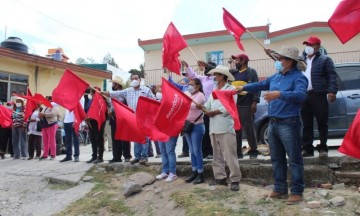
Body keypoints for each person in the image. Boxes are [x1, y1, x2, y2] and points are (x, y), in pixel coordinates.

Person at [237, 45, 308, 205]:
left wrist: (280, 94)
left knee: (295, 159)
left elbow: (301, 96)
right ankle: (280, 188)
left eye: (281, 58)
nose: (278, 60)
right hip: (274, 123)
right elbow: (261, 84)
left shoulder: (299, 77)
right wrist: (243, 87)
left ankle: (297, 191)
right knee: (276, 158)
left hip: (290, 123)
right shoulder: (276, 77)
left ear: (289, 62)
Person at [199, 65, 241, 191]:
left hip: (225, 126)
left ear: (223, 76)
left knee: (230, 155)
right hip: (213, 127)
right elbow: (207, 104)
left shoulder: (231, 89)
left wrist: (214, 112)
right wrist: (203, 108)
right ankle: (220, 177)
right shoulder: (214, 90)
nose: (215, 77)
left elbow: (230, 107)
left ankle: (235, 179)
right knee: (216, 155)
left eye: (217, 75)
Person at [300, 36, 338, 158]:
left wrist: (332, 91)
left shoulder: (325, 60)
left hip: (319, 94)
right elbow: (284, 62)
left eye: (311, 45)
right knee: (306, 124)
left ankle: (323, 147)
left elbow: (332, 75)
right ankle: (307, 148)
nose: (308, 47)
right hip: (305, 95)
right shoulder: (301, 61)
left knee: (322, 122)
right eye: (307, 45)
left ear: (318, 47)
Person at [104, 74, 154, 165]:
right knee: (136, 137)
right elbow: (116, 93)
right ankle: (137, 156)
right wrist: (107, 93)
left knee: (144, 138)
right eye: (133, 79)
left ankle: (144, 156)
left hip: (144, 117)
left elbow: (153, 101)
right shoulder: (128, 91)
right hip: (133, 118)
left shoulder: (146, 90)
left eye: (136, 78)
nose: (134, 80)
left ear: (140, 79)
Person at [182, 60, 216, 160]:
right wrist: (187, 66)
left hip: (214, 106)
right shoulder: (204, 79)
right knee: (206, 131)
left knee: (212, 131)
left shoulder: (216, 79)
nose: (204, 69)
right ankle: (205, 152)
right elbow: (193, 76)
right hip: (204, 107)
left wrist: (207, 65)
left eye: (206, 68)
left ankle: (212, 151)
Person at [230, 54, 260, 159]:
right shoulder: (233, 73)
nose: (235, 62)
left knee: (248, 129)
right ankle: (238, 153)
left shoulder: (251, 72)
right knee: (236, 129)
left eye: (237, 60)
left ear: (243, 61)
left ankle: (254, 151)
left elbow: (257, 87)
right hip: (235, 105)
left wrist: (255, 102)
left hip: (246, 105)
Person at [183, 78, 206, 184]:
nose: (189, 86)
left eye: (191, 84)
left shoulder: (201, 95)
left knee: (197, 151)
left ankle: (201, 174)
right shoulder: (188, 94)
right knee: (192, 151)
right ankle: (194, 171)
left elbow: (192, 106)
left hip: (197, 126)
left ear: (198, 86)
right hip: (187, 126)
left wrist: (186, 104)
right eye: (189, 84)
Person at [107, 77, 132, 163]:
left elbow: (119, 104)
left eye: (113, 83)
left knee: (124, 138)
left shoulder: (123, 94)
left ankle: (127, 156)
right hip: (114, 118)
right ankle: (116, 156)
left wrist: (112, 110)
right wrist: (109, 110)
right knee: (115, 138)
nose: (112, 85)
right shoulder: (112, 94)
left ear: (117, 85)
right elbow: (111, 105)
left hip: (122, 118)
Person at [60, 96, 84, 163]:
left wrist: (76, 120)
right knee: (68, 139)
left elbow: (80, 109)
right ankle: (68, 155)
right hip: (66, 121)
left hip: (73, 121)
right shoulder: (68, 97)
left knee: (75, 139)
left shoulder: (80, 97)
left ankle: (76, 155)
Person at [85, 88, 106, 164]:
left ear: (95, 93)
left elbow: (100, 111)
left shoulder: (101, 101)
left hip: (98, 122)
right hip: (90, 123)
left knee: (99, 139)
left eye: (91, 93)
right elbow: (86, 110)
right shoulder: (90, 101)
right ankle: (94, 156)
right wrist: (86, 117)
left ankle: (100, 157)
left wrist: (91, 117)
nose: (90, 94)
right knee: (93, 139)